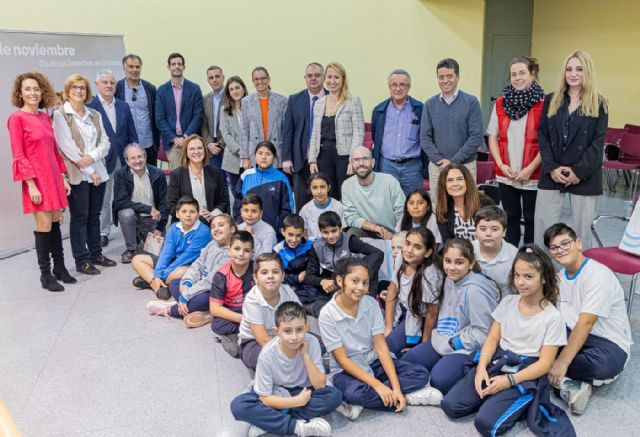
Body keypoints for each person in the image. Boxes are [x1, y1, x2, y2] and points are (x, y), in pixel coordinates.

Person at [441, 245, 573, 437]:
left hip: (525, 371)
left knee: (486, 425)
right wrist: (481, 370)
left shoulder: (552, 317)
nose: (521, 282)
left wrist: (509, 381)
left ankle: (523, 401)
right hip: (499, 360)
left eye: (528, 277)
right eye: (517, 275)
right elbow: (492, 339)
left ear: (544, 278)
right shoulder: (509, 301)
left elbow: (545, 363)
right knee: (450, 406)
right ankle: (496, 400)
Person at [319, 258, 440, 421]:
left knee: (420, 373)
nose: (361, 288)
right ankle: (410, 398)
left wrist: (395, 388)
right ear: (340, 280)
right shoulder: (327, 314)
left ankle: (390, 396)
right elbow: (343, 360)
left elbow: (381, 347)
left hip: (373, 361)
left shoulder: (371, 304)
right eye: (355, 281)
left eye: (365, 283)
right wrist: (378, 386)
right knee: (355, 393)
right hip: (346, 370)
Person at [544, 223, 632, 415]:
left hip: (606, 342)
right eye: (554, 247)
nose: (560, 250)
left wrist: (563, 362)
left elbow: (586, 323)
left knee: (603, 367)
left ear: (578, 243)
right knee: (538, 335)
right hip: (571, 332)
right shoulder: (559, 278)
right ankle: (568, 385)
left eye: (565, 243)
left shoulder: (597, 275)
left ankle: (546, 369)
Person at [401, 238, 501, 397]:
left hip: (465, 347)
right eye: (448, 261)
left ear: (471, 263)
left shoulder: (475, 291)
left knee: (439, 380)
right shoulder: (449, 279)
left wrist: (455, 343)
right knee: (406, 362)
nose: (452, 267)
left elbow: (485, 332)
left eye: (459, 262)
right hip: (443, 339)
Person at [230, 302, 342, 437]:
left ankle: (268, 423)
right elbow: (265, 398)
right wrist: (297, 402)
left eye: (299, 330)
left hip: (303, 389)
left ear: (306, 327)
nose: (294, 337)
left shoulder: (311, 342)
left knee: (334, 396)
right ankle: (298, 427)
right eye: (287, 331)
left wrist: (305, 356)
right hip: (275, 391)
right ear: (277, 332)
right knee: (239, 406)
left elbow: (320, 384)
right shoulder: (267, 354)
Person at [534, 51, 608, 250]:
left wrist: (578, 173)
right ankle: (543, 274)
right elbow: (543, 136)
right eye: (569, 69)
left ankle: (582, 276)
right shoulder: (551, 100)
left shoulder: (599, 103)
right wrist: (551, 167)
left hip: (585, 174)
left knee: (582, 232)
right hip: (552, 171)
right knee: (544, 226)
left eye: (579, 69)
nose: (573, 74)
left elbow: (597, 143)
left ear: (587, 72)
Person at [8, 71, 74, 291]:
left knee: (56, 222)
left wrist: (63, 177)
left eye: (36, 88)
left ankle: (60, 268)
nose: (33, 93)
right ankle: (45, 275)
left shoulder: (45, 116)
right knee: (44, 225)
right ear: (20, 93)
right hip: (36, 181)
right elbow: (19, 154)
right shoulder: (16, 119)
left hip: (53, 177)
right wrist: (31, 184)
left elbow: (54, 150)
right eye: (27, 89)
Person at [52, 74, 117, 275]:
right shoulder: (61, 115)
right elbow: (67, 148)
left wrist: (92, 158)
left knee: (94, 215)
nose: (78, 91)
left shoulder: (94, 114)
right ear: (67, 91)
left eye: (82, 88)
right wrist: (90, 169)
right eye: (74, 88)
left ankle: (96, 253)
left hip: (99, 172)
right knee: (80, 217)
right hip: (79, 174)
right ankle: (82, 260)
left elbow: (105, 142)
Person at [487, 56, 545, 246]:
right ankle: (510, 253)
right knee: (510, 216)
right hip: (507, 173)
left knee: (531, 218)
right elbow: (492, 137)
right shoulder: (500, 103)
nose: (517, 77)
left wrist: (529, 169)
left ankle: (529, 256)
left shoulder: (545, 104)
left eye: (522, 73)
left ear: (533, 74)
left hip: (534, 174)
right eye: (513, 74)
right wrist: (502, 165)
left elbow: (548, 143)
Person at [145, 214, 236, 327]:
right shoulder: (212, 244)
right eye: (212, 227)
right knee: (175, 283)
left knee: (201, 300)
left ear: (232, 229)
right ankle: (203, 310)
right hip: (201, 285)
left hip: (218, 291)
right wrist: (187, 283)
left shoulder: (231, 252)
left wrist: (186, 295)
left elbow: (210, 281)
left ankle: (169, 309)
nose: (216, 229)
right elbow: (197, 265)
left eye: (221, 225)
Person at [420, 58, 483, 207]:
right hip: (437, 167)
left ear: (457, 77)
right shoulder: (430, 104)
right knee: (439, 207)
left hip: (465, 165)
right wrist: (441, 161)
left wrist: (453, 162)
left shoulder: (471, 102)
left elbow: (476, 136)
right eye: (441, 77)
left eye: (449, 76)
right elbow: (425, 137)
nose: (445, 80)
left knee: (466, 206)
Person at [87, 69, 138, 248]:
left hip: (124, 159)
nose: (109, 86)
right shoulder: (90, 107)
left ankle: (133, 228)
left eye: (112, 83)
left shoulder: (122, 106)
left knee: (129, 194)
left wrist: (135, 153)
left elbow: (132, 133)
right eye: (105, 82)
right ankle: (103, 232)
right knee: (105, 198)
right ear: (97, 85)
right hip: (102, 160)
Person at [304, 211, 384, 316]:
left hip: (356, 281)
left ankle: (367, 304)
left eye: (334, 231)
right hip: (336, 283)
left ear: (340, 228)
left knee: (370, 271)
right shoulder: (316, 247)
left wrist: (358, 274)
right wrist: (322, 281)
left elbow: (378, 253)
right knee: (313, 300)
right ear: (320, 232)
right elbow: (309, 277)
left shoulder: (350, 241)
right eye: (326, 232)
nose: (330, 236)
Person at [131, 196, 211, 299]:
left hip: (190, 264)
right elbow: (166, 253)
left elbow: (185, 258)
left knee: (182, 272)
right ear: (177, 214)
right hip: (173, 260)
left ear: (198, 214)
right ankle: (156, 284)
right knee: (137, 259)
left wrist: (160, 276)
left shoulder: (203, 232)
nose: (188, 215)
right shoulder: (174, 227)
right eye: (184, 211)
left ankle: (153, 281)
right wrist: (157, 275)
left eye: (192, 212)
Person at [308, 62, 364, 201]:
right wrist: (312, 159)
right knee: (328, 193)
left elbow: (358, 132)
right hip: (323, 156)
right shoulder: (319, 103)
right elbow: (315, 133)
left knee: (346, 194)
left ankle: (347, 223)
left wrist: (353, 160)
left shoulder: (353, 101)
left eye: (337, 77)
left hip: (344, 157)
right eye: (329, 77)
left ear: (343, 80)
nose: (332, 81)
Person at [383, 228, 443, 357]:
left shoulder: (430, 273)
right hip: (405, 311)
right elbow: (392, 292)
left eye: (417, 247)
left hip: (423, 318)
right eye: (407, 243)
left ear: (427, 253)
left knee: (401, 354)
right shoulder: (401, 257)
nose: (409, 250)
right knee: (384, 347)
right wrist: (388, 326)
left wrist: (423, 345)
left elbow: (432, 313)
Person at [238, 253, 302, 371]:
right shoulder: (252, 300)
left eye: (275, 272)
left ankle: (291, 365)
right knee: (260, 358)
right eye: (264, 272)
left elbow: (305, 324)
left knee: (316, 341)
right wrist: (292, 352)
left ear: (282, 276)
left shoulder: (287, 291)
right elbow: (263, 339)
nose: (270, 276)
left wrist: (297, 341)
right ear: (255, 278)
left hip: (285, 335)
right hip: (255, 340)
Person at [371, 69, 426, 195]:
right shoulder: (379, 111)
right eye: (394, 85)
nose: (398, 88)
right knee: (387, 202)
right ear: (389, 87)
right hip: (387, 166)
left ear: (409, 87)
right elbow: (376, 137)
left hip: (412, 168)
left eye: (402, 85)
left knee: (414, 204)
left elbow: (425, 137)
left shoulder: (420, 109)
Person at [112, 144, 168, 264]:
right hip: (134, 216)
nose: (137, 161)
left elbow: (164, 202)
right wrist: (148, 209)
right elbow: (121, 202)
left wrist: (160, 227)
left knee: (158, 255)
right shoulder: (120, 175)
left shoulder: (158, 174)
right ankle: (131, 249)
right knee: (126, 214)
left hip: (152, 220)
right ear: (127, 161)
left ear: (145, 156)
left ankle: (141, 239)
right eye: (133, 158)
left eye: (140, 156)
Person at [282, 62, 327, 210]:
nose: (313, 79)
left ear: (324, 77)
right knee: (302, 201)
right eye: (309, 76)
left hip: (324, 159)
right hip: (300, 160)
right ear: (305, 78)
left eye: (317, 75)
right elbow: (288, 131)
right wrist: (287, 158)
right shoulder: (294, 99)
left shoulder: (332, 98)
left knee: (325, 199)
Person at [342, 146, 405, 239]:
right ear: (351, 164)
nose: (361, 163)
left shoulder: (389, 181)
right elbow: (351, 217)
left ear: (373, 162)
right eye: (356, 160)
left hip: (391, 233)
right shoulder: (347, 186)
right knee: (351, 235)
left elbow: (401, 213)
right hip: (366, 230)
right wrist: (377, 229)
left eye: (365, 159)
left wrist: (397, 237)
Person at [209, 230, 255, 356]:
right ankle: (245, 333)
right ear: (229, 251)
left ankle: (240, 335)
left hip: (253, 310)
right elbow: (215, 309)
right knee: (217, 325)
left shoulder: (257, 270)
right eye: (237, 249)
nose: (241, 254)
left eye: (246, 250)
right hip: (234, 312)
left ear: (252, 253)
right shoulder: (221, 275)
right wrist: (243, 320)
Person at [155, 52, 204, 169]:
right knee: (178, 179)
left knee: (196, 175)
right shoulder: (162, 90)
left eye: (179, 64)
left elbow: (198, 116)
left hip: (192, 141)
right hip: (173, 144)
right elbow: (159, 119)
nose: (176, 66)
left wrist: (185, 136)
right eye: (173, 64)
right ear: (169, 67)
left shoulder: (194, 88)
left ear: (184, 67)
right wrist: (174, 138)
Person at [166, 134, 229, 224]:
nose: (196, 151)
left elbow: (223, 200)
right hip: (186, 224)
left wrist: (213, 214)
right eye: (192, 149)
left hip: (211, 222)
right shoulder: (177, 175)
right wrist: (193, 214)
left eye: (199, 148)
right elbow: (171, 205)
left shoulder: (214, 172)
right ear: (186, 152)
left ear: (204, 150)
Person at [234, 141, 294, 234]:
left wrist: (278, 227)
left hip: (273, 232)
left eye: (268, 154)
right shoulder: (246, 176)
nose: (263, 157)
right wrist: (241, 224)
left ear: (274, 157)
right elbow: (238, 203)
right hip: (248, 230)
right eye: (260, 153)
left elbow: (287, 208)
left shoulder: (281, 179)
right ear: (255, 156)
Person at [115, 54, 159, 165]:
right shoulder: (117, 88)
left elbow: (156, 114)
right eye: (131, 66)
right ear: (124, 68)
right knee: (129, 178)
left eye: (137, 67)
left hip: (148, 143)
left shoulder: (150, 88)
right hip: (126, 144)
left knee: (150, 176)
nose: (134, 70)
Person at [240, 67, 288, 168]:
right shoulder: (246, 102)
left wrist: (287, 157)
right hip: (255, 153)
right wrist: (245, 157)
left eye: (263, 78)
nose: (260, 82)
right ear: (253, 81)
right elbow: (244, 131)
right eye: (256, 79)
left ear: (269, 79)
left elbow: (286, 130)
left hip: (276, 152)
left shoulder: (282, 100)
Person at [435, 163, 495, 243]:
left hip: (486, 251)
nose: (455, 184)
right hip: (458, 253)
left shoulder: (485, 203)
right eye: (450, 180)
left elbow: (496, 233)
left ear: (467, 181)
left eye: (460, 179)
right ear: (444, 185)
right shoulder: (443, 208)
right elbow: (447, 241)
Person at [273, 214, 317, 308]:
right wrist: (297, 278)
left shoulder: (311, 246)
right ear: (283, 232)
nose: (294, 239)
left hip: (309, 286)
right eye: (290, 235)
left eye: (298, 235)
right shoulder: (277, 250)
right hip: (288, 286)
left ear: (303, 233)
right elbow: (277, 275)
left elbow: (313, 271)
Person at [472, 206, 518, 293]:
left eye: (495, 229)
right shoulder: (468, 250)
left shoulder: (515, 256)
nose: (488, 234)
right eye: (483, 229)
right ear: (475, 230)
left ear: (504, 232)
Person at [219, 76, 249, 190]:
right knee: (237, 193)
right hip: (233, 157)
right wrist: (240, 151)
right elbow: (225, 133)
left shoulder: (252, 107)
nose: (235, 91)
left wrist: (248, 153)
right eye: (231, 89)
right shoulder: (224, 110)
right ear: (228, 93)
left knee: (251, 193)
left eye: (237, 87)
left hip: (251, 157)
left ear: (243, 89)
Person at [298, 172, 345, 241]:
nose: (319, 191)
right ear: (310, 189)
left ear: (328, 187)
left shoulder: (338, 206)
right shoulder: (305, 209)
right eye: (315, 188)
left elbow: (342, 230)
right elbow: (305, 234)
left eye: (322, 187)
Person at [202, 65, 226, 170]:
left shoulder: (231, 97)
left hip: (228, 146)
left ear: (223, 78)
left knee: (231, 183)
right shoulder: (205, 99)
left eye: (217, 76)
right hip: (211, 147)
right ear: (208, 81)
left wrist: (220, 144)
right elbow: (203, 124)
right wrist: (209, 143)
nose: (215, 80)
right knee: (215, 181)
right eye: (211, 78)